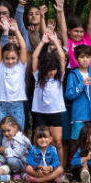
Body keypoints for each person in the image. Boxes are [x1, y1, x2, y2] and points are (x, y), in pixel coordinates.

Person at [30, 29, 67, 166]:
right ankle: (38, 166)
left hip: (55, 112)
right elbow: (34, 57)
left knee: (57, 141)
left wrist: (56, 42)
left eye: (54, 69)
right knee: (39, 141)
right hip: (41, 113)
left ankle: (60, 169)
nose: (51, 72)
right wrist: (43, 42)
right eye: (48, 69)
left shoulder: (59, 78)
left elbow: (62, 57)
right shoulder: (38, 76)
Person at [0, 18, 29, 146]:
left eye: (13, 58)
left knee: (18, 133)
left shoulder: (20, 66)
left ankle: (19, 160)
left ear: (17, 57)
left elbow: (23, 48)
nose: (10, 61)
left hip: (17, 103)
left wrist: (17, 30)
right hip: (2, 103)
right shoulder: (1, 66)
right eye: (7, 58)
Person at [0, 116, 31, 180]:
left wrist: (5, 150)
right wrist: (1, 152)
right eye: (4, 131)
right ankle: (7, 171)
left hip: (21, 162)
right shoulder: (6, 138)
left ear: (15, 127)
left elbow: (17, 154)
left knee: (11, 160)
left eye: (8, 130)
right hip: (9, 157)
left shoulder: (20, 139)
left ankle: (17, 172)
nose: (6, 133)